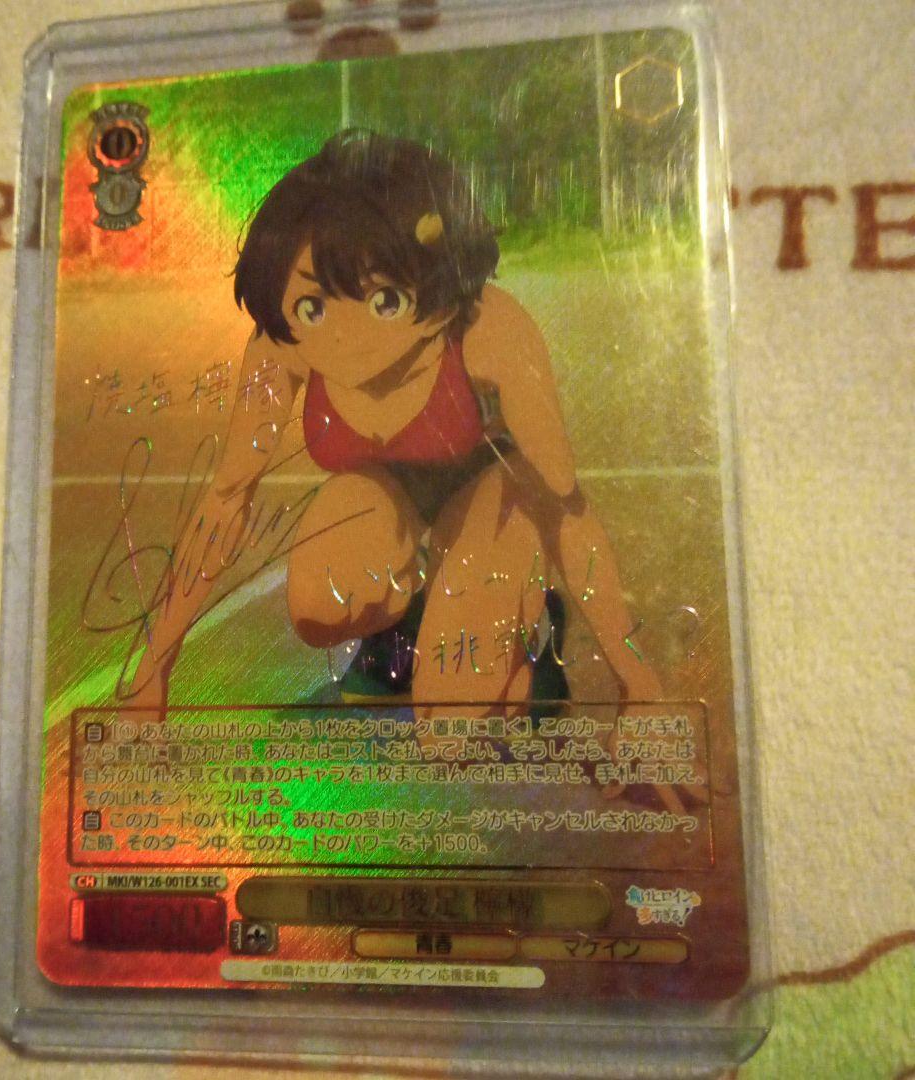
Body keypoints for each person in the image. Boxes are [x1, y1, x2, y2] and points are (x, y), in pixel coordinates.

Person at [125, 130, 694, 810]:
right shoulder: (284, 347)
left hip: (491, 492)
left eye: (384, 301)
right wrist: (152, 673)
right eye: (313, 307)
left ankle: (515, 629)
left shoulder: (491, 332)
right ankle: (413, 631)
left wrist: (640, 685)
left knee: (455, 731)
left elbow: (565, 509)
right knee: (321, 598)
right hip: (383, 500)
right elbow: (225, 502)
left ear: (444, 289)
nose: (344, 338)